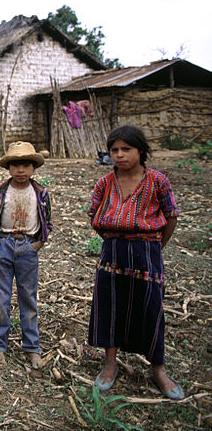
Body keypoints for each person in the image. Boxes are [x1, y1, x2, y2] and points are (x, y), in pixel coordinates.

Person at [87, 125, 183, 399]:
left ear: (141, 151)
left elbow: (171, 216)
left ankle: (159, 369)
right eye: (114, 150)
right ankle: (110, 364)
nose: (119, 155)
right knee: (111, 306)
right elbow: (95, 216)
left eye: (126, 149)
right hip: (113, 252)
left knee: (151, 308)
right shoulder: (105, 183)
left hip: (147, 252)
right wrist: (114, 238)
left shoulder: (157, 181)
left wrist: (154, 246)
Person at [0, 141, 51, 369]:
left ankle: (32, 346)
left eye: (25, 165)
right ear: (8, 168)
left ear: (33, 167)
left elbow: (47, 223)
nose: (20, 170)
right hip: (3, 244)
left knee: (28, 299)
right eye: (15, 165)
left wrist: (37, 245)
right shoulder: (0, 192)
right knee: (0, 298)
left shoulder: (40, 193)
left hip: (27, 246)